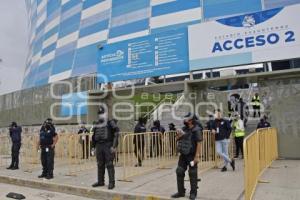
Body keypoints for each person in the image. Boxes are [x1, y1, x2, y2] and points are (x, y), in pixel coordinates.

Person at [171, 113, 203, 200]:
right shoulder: (183, 129)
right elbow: (177, 139)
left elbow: (199, 143)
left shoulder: (197, 129)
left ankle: (193, 193)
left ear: (191, 120)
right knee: (179, 171)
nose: (184, 120)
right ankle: (181, 192)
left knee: (192, 173)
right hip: (183, 155)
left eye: (186, 119)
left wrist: (197, 156)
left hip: (192, 155)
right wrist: (179, 136)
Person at [91, 107, 119, 190]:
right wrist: (93, 147)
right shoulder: (96, 123)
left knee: (109, 164)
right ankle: (100, 181)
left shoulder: (110, 122)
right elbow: (93, 136)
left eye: (102, 113)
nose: (101, 115)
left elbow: (116, 134)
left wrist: (114, 146)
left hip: (108, 145)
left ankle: (111, 182)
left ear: (106, 114)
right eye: (99, 114)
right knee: (100, 164)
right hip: (99, 146)